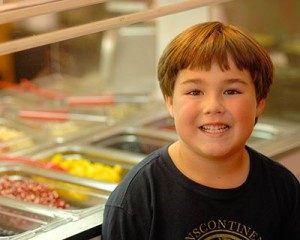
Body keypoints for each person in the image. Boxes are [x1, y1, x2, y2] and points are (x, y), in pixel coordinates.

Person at [102, 21, 300, 239]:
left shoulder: (282, 188)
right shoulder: (136, 200)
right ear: (170, 103)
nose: (213, 106)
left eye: (232, 91)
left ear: (260, 102)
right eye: (195, 92)